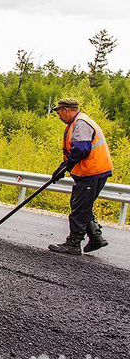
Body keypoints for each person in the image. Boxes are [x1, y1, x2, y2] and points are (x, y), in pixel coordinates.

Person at [48, 98, 113, 255]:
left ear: (67, 110)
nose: (58, 116)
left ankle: (73, 243)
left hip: (92, 171)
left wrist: (65, 166)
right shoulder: (78, 122)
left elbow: (81, 149)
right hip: (93, 171)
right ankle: (96, 237)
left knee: (80, 207)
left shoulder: (81, 124)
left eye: (59, 112)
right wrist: (65, 166)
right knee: (84, 205)